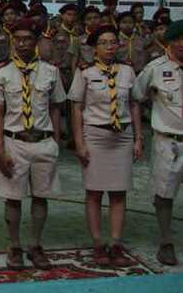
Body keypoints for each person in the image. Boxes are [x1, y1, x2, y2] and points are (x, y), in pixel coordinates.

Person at [0, 19, 65, 269]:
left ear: (37, 41)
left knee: (41, 196)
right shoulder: (2, 71)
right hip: (15, 141)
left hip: (43, 141)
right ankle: (15, 246)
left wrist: (56, 141)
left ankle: (35, 244)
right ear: (12, 41)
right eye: (18, 39)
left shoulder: (50, 71)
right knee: (13, 198)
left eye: (28, 39)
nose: (22, 44)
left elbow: (56, 107)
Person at [68, 25, 144, 268]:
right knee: (94, 192)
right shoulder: (85, 72)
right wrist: (79, 142)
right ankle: (98, 243)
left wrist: (138, 137)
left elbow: (134, 104)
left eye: (113, 42)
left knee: (119, 192)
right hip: (95, 136)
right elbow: (76, 108)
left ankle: (116, 243)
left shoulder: (127, 71)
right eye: (104, 42)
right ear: (94, 48)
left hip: (122, 136)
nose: (110, 46)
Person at [133, 19, 183, 266]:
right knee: (164, 194)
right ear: (169, 42)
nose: (182, 44)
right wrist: (139, 135)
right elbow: (136, 96)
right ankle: (166, 242)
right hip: (168, 141)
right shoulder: (155, 68)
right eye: (178, 39)